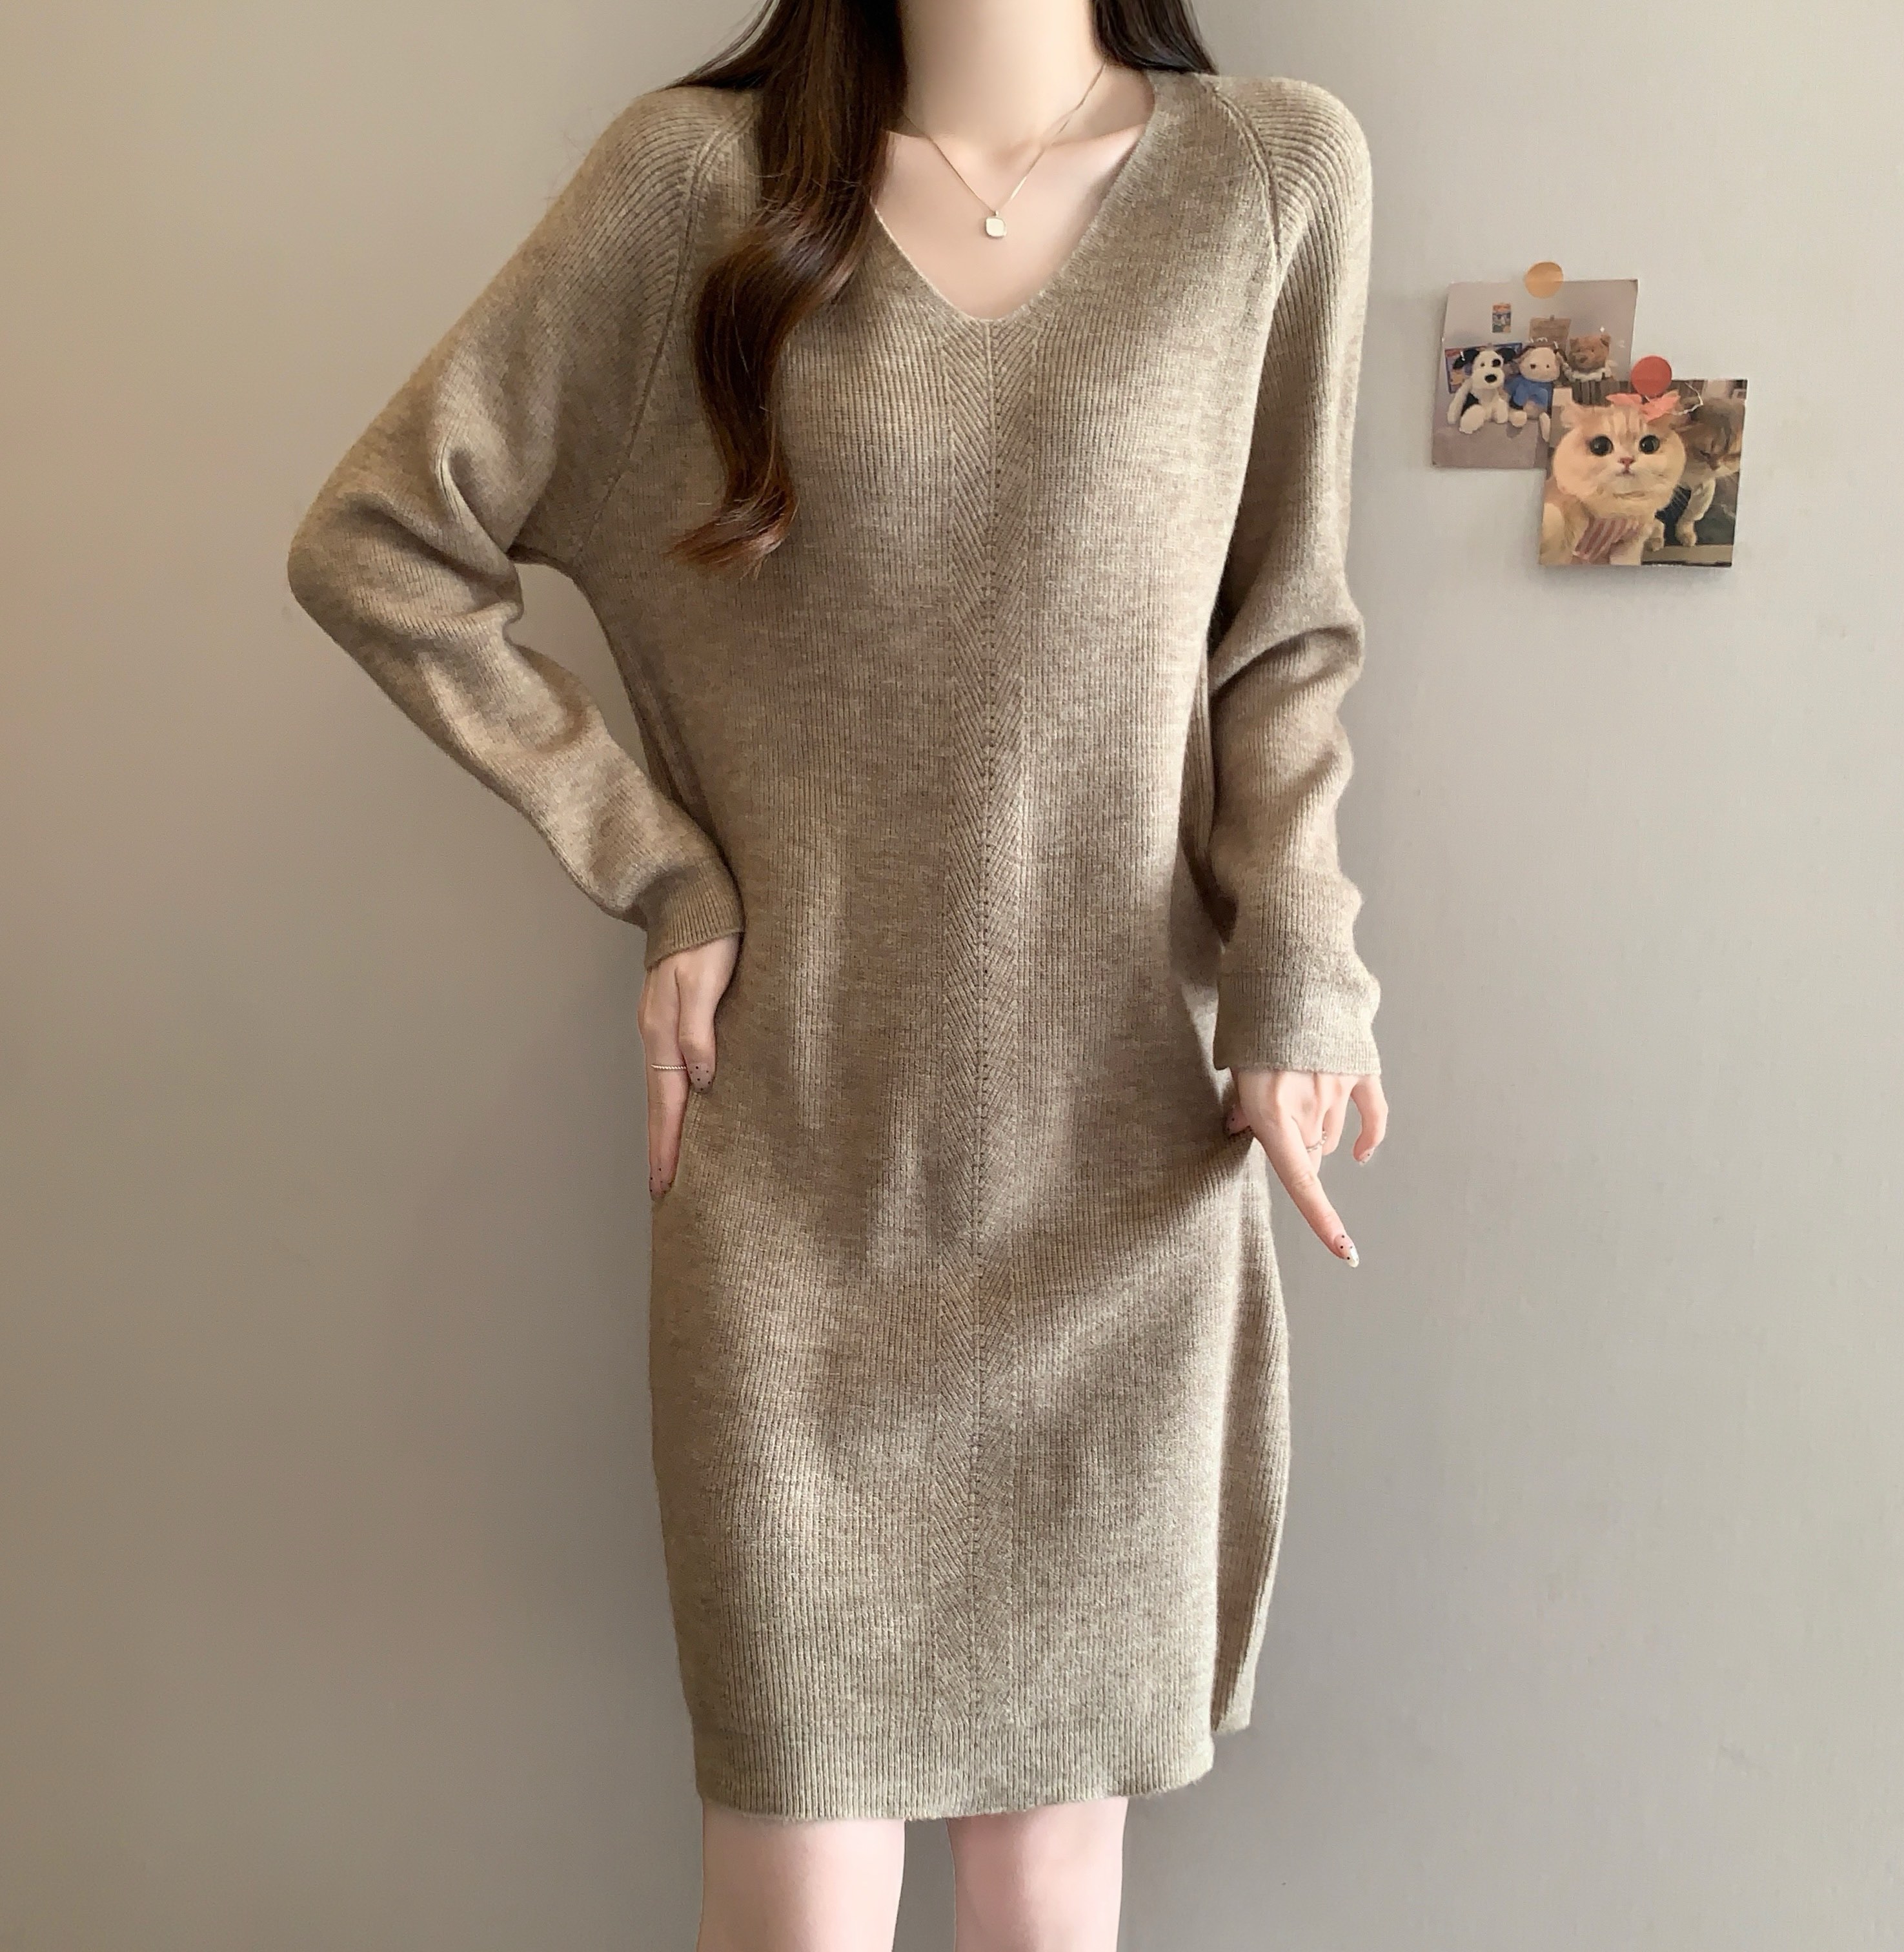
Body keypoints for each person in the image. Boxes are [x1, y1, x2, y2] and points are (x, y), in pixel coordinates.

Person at [285, 0, 1389, 1941]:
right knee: (795, 1876)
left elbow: (1281, 636)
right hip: (793, 1183)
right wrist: (664, 874)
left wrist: (1305, 970)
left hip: (1119, 1167)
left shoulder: (1272, 178)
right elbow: (383, 546)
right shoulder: (690, 187)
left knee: (1053, 1886)